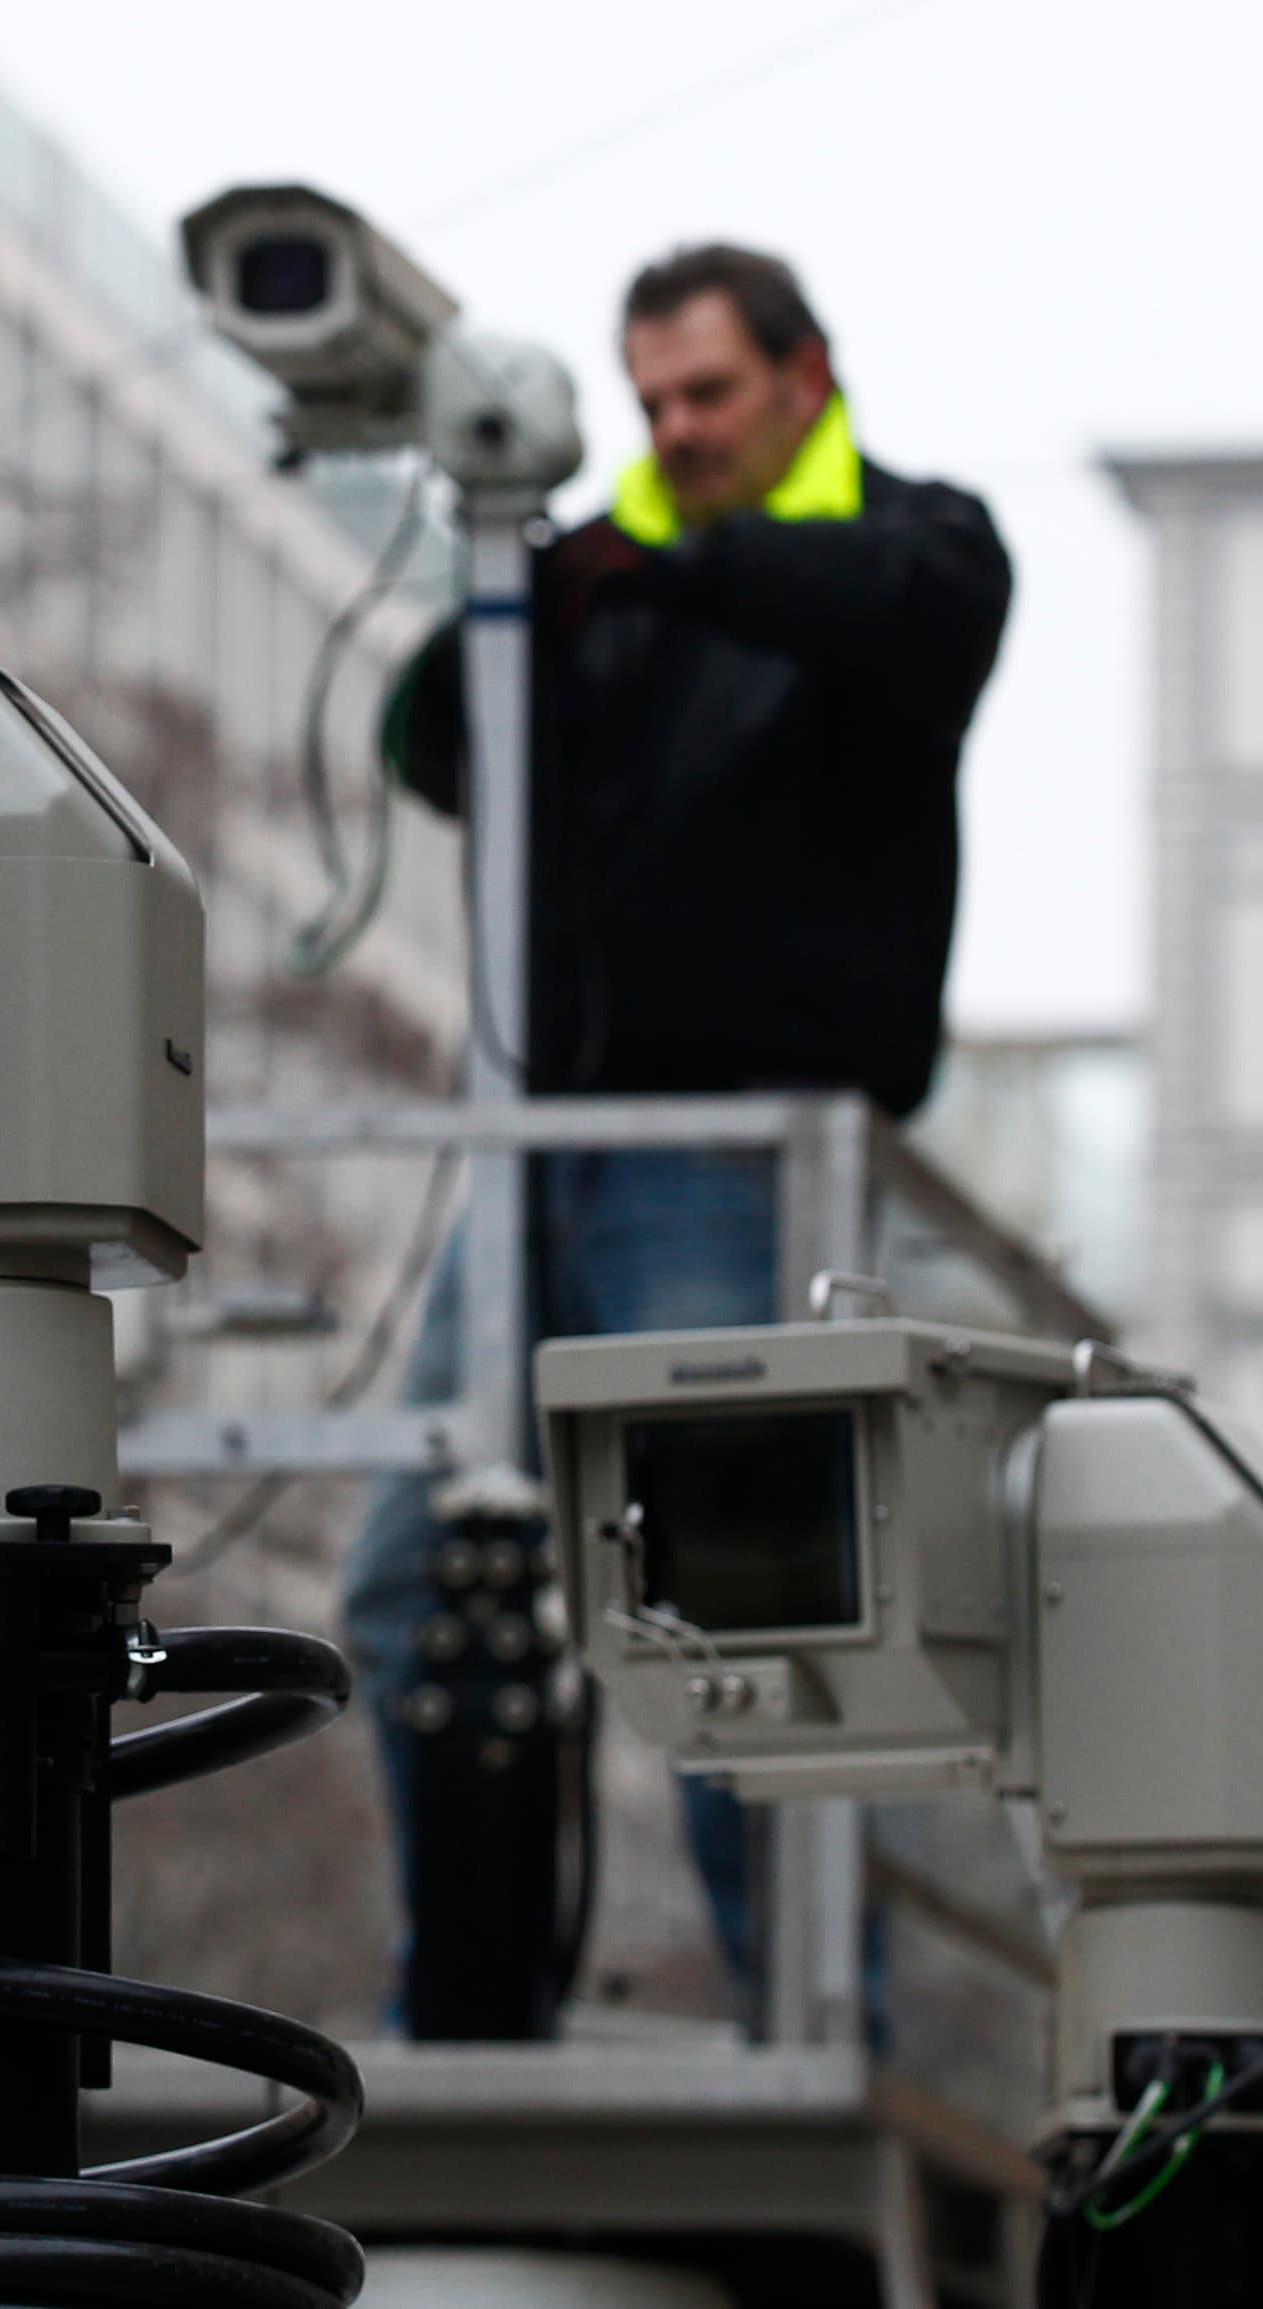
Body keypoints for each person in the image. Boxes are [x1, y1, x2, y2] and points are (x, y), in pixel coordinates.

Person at [342, 243, 1013, 2019]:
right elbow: (437, 746)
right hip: (546, 1135)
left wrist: (658, 565)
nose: (681, 432)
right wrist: (508, 597)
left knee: (730, 1602)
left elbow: (910, 614)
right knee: (413, 1580)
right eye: (652, 405)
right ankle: (463, 1992)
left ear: (808, 376)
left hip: (732, 1153)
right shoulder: (608, 583)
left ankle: (808, 2006)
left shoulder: (907, 542)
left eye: (709, 394)